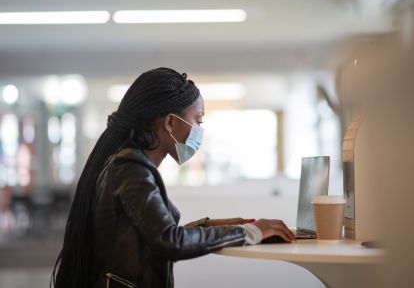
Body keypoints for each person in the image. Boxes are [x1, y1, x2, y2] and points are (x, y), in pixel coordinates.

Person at [51, 67, 295, 288]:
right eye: (197, 121)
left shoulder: (129, 164)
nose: (199, 131)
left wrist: (216, 226)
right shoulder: (130, 168)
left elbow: (151, 237)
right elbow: (168, 241)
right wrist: (250, 232)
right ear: (170, 122)